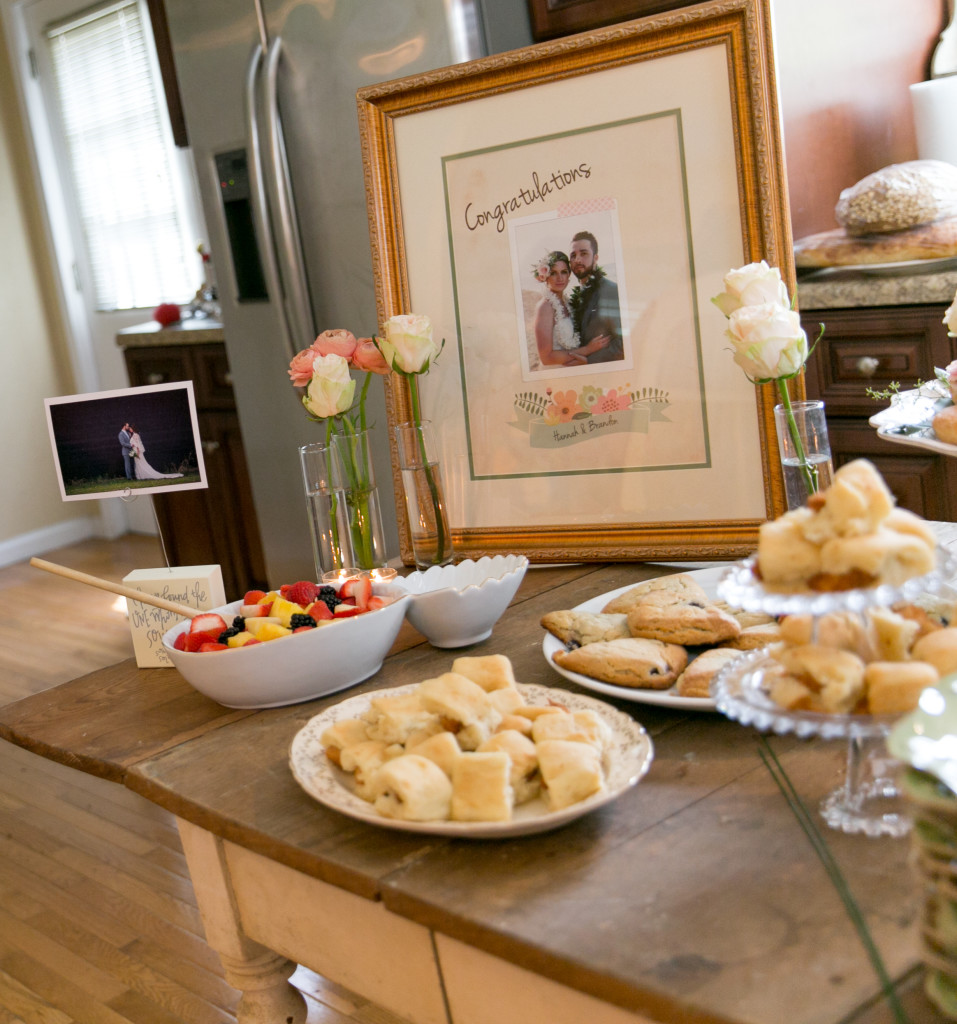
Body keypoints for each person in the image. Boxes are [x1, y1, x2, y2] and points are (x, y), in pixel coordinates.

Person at [532, 250, 609, 368]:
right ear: (545, 276)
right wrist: (588, 349)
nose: (559, 278)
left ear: (569, 276)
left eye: (563, 272)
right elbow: (546, 358)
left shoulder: (568, 303)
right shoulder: (545, 307)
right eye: (553, 273)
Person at [568, 231, 624, 364]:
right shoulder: (574, 296)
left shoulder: (611, 290)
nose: (578, 260)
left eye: (584, 253)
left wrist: (588, 361)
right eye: (573, 255)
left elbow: (623, 343)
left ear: (596, 257)